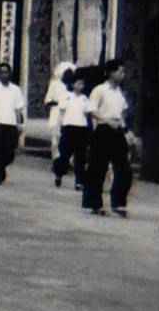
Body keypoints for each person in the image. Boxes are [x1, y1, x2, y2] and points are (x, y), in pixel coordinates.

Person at [82, 58, 136, 217]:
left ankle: (119, 202)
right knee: (98, 169)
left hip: (118, 131)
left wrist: (127, 131)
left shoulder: (120, 92)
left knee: (124, 169)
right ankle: (94, 203)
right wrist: (106, 121)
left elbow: (122, 114)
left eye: (123, 72)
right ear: (111, 73)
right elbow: (91, 109)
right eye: (120, 71)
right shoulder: (100, 90)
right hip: (103, 130)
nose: (123, 75)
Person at [51, 73, 90, 190]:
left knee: (81, 156)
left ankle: (80, 181)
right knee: (65, 154)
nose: (81, 85)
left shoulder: (84, 98)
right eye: (78, 83)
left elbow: (88, 114)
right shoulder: (66, 97)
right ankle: (59, 173)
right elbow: (61, 114)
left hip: (81, 128)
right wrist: (58, 128)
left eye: (82, 83)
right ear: (73, 84)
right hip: (68, 127)